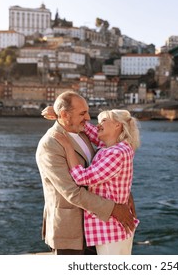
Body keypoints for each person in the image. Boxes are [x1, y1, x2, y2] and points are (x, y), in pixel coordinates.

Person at [36, 91, 135, 255]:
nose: (88, 117)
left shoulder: (82, 132)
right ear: (65, 115)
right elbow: (72, 193)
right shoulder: (50, 144)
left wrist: (125, 193)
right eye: (83, 113)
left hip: (96, 227)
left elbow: (102, 169)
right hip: (70, 232)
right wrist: (114, 209)